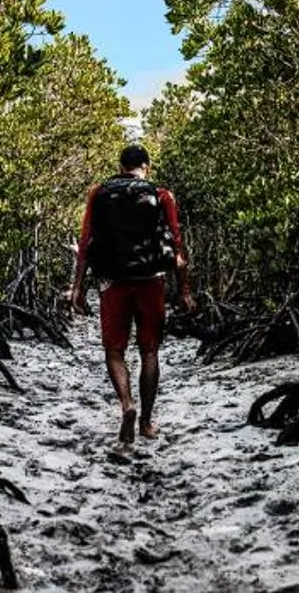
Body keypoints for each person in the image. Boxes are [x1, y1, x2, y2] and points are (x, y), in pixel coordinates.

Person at [68, 144, 192, 451]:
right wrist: (185, 290)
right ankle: (147, 422)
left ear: (120, 166)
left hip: (113, 282)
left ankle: (126, 405)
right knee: (150, 352)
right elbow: (176, 244)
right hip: (152, 281)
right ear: (146, 166)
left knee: (114, 351)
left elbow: (86, 242)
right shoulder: (162, 195)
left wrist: (78, 287)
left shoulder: (99, 192)